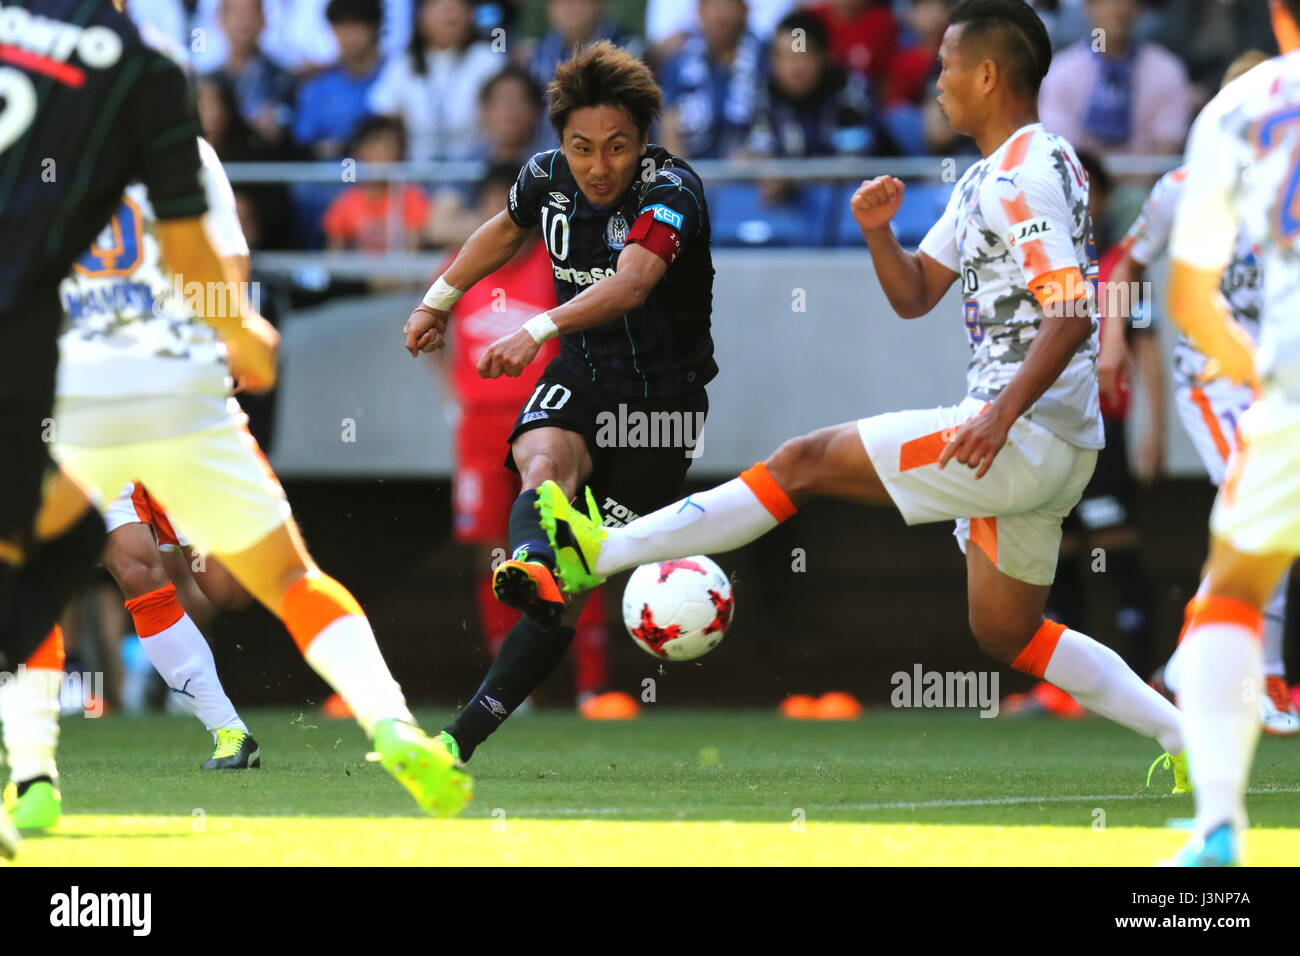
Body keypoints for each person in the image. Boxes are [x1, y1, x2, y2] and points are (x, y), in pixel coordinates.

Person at [536, 0, 1188, 789]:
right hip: (1047, 441)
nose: (935, 83)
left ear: (987, 73)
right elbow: (915, 295)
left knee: (802, 462)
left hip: (1016, 432)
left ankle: (602, 550)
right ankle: (1187, 739)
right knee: (1006, 631)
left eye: (946, 67)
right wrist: (879, 231)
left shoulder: (1024, 173)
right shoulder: (997, 173)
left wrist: (999, 418)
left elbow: (1072, 312)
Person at [38, 35, 471, 824]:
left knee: (225, 587)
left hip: (102, 397)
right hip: (148, 397)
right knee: (156, 568)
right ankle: (256, 729)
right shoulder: (178, 151)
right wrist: (241, 338)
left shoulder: (43, 147)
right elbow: (229, 279)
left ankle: (30, 772)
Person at [402, 41, 715, 761]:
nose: (598, 166)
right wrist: (438, 301)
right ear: (560, 142)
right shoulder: (543, 176)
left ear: (644, 142)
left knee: (570, 588)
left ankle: (463, 735)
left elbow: (633, 282)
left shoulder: (673, 190)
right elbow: (501, 230)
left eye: (616, 147)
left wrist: (534, 326)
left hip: (659, 408)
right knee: (539, 459)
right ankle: (532, 560)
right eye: (581, 147)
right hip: (585, 370)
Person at [1104, 50, 1300, 740]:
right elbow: (1128, 257)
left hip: (1275, 379)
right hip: (1212, 378)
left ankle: (1194, 663)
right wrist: (1113, 339)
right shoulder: (1184, 186)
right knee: (1260, 507)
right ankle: (1263, 676)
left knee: (1269, 516)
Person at [1158, 2, 1300, 864]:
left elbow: (1186, 302)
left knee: (1230, 595)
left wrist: (1261, 376)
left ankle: (1218, 827)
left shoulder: (1240, 109)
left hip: (1288, 388)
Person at [431, 165, 621, 716]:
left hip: (549, 423)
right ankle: (516, 691)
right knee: (492, 550)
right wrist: (454, 395)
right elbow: (430, 326)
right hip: (480, 429)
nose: (506, 224)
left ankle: (592, 684)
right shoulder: (459, 270)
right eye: (495, 214)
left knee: (574, 543)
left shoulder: (557, 265)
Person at [1002, 149, 1163, 718]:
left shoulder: (1118, 265)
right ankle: (1063, 692)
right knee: (1059, 558)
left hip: (1103, 432)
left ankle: (1144, 683)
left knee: (1114, 552)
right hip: (1044, 431)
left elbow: (1146, 354)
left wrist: (1153, 433)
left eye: (1088, 190)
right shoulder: (1036, 265)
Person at [1038, 0, 1191, 156]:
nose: (1118, 8)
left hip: (1146, 178)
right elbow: (1058, 150)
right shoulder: (1061, 72)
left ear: (1140, 9)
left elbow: (1167, 148)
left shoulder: (1166, 71)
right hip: (1082, 177)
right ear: (1088, 6)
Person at [367, 0, 502, 163]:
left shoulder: (489, 60)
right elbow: (383, 111)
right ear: (420, 17)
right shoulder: (404, 63)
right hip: (416, 168)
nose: (448, 13)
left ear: (470, 15)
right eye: (438, 6)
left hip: (477, 165)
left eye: (457, 6)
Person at [658, 0, 765, 160]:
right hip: (694, 168)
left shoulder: (765, 57)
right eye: (713, 5)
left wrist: (757, 156)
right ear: (699, 11)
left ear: (745, 10)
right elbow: (669, 122)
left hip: (751, 172)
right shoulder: (679, 60)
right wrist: (681, 174)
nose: (720, 15)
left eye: (728, 5)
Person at [322, 117, 430, 255]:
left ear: (399, 153)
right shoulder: (345, 201)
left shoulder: (412, 197)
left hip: (396, 274)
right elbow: (334, 257)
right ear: (359, 151)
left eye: (387, 147)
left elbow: (411, 253)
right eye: (374, 146)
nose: (381, 154)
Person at [293, 0, 385, 159]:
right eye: (340, 27)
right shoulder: (318, 87)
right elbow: (303, 144)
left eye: (355, 26)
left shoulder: (396, 75)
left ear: (375, 27)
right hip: (330, 178)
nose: (348, 36)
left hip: (383, 178)